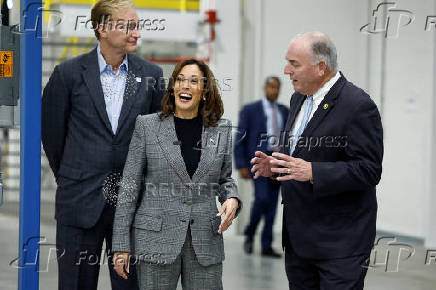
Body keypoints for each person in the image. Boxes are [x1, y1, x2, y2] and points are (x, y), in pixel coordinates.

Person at [41, 0, 164, 289]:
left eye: (137, 26)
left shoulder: (151, 76)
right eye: (128, 26)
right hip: (80, 200)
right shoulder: (68, 74)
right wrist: (76, 177)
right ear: (103, 28)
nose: (136, 33)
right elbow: (52, 135)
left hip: (133, 206)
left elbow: (158, 140)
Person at [251, 31, 383, 290]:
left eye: (294, 64)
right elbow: (301, 159)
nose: (286, 70)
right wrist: (277, 168)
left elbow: (369, 170)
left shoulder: (358, 105)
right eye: (287, 62)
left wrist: (313, 171)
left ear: (321, 67)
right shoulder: (298, 98)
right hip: (300, 241)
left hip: (340, 245)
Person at [111, 59, 241, 290]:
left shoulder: (221, 129)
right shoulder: (147, 126)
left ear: (204, 92)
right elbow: (129, 186)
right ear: (172, 88)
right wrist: (121, 244)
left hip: (205, 241)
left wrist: (232, 198)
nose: (185, 86)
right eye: (180, 80)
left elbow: (224, 179)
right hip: (155, 239)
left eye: (194, 81)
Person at [234, 76, 289, 258]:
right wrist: (241, 164)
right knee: (262, 199)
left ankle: (266, 245)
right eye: (271, 87)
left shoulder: (284, 111)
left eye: (277, 88)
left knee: (273, 205)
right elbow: (240, 137)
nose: (274, 91)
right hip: (259, 159)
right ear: (265, 87)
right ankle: (250, 233)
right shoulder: (251, 110)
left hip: (278, 161)